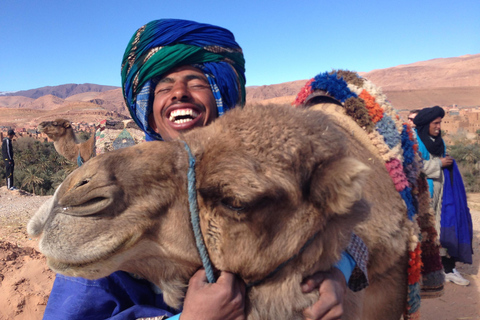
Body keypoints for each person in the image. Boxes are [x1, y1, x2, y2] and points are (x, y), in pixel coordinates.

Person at [43, 19, 368, 320]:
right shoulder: (119, 196)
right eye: (163, 87)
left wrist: (337, 271)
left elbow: (346, 227)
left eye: (195, 83)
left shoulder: (253, 173)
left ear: (222, 96)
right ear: (150, 112)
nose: (179, 93)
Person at [413, 106, 471, 286]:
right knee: (423, 231)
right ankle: (421, 270)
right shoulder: (415, 141)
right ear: (425, 124)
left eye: (440, 123)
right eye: (435, 123)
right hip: (423, 195)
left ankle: (447, 268)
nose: (439, 127)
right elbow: (414, 166)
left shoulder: (440, 141)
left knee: (444, 227)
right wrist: (439, 163)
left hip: (442, 192)